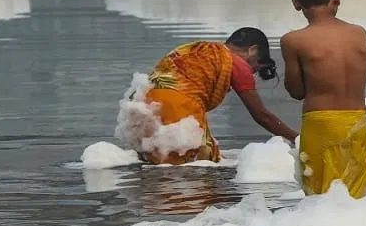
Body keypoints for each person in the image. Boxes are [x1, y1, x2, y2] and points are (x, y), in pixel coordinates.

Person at [126, 28, 297, 165]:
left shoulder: (197, 49)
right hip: (175, 108)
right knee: (195, 170)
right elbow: (261, 115)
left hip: (143, 106)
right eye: (254, 68)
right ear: (252, 50)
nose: (250, 73)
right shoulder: (235, 62)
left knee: (154, 165)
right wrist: (297, 138)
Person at [280, 0, 366, 199]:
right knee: (358, 189)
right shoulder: (359, 33)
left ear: (296, 4)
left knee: (320, 194)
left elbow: (296, 91)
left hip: (320, 122)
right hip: (357, 120)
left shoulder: (294, 40)